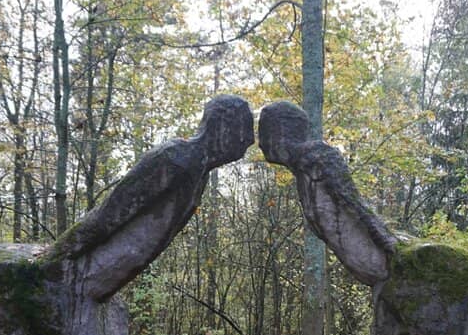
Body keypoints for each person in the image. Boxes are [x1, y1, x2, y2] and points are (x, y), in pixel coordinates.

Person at [46, 94, 254, 301]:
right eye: (244, 128)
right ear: (222, 126)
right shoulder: (176, 158)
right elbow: (111, 212)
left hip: (99, 285)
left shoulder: (200, 173)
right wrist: (56, 257)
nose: (250, 140)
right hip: (79, 278)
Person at [258, 100, 400, 286]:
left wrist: (386, 241)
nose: (260, 144)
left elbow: (350, 199)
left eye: (264, 134)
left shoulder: (319, 156)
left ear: (280, 133)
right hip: (375, 271)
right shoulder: (303, 170)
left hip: (385, 267)